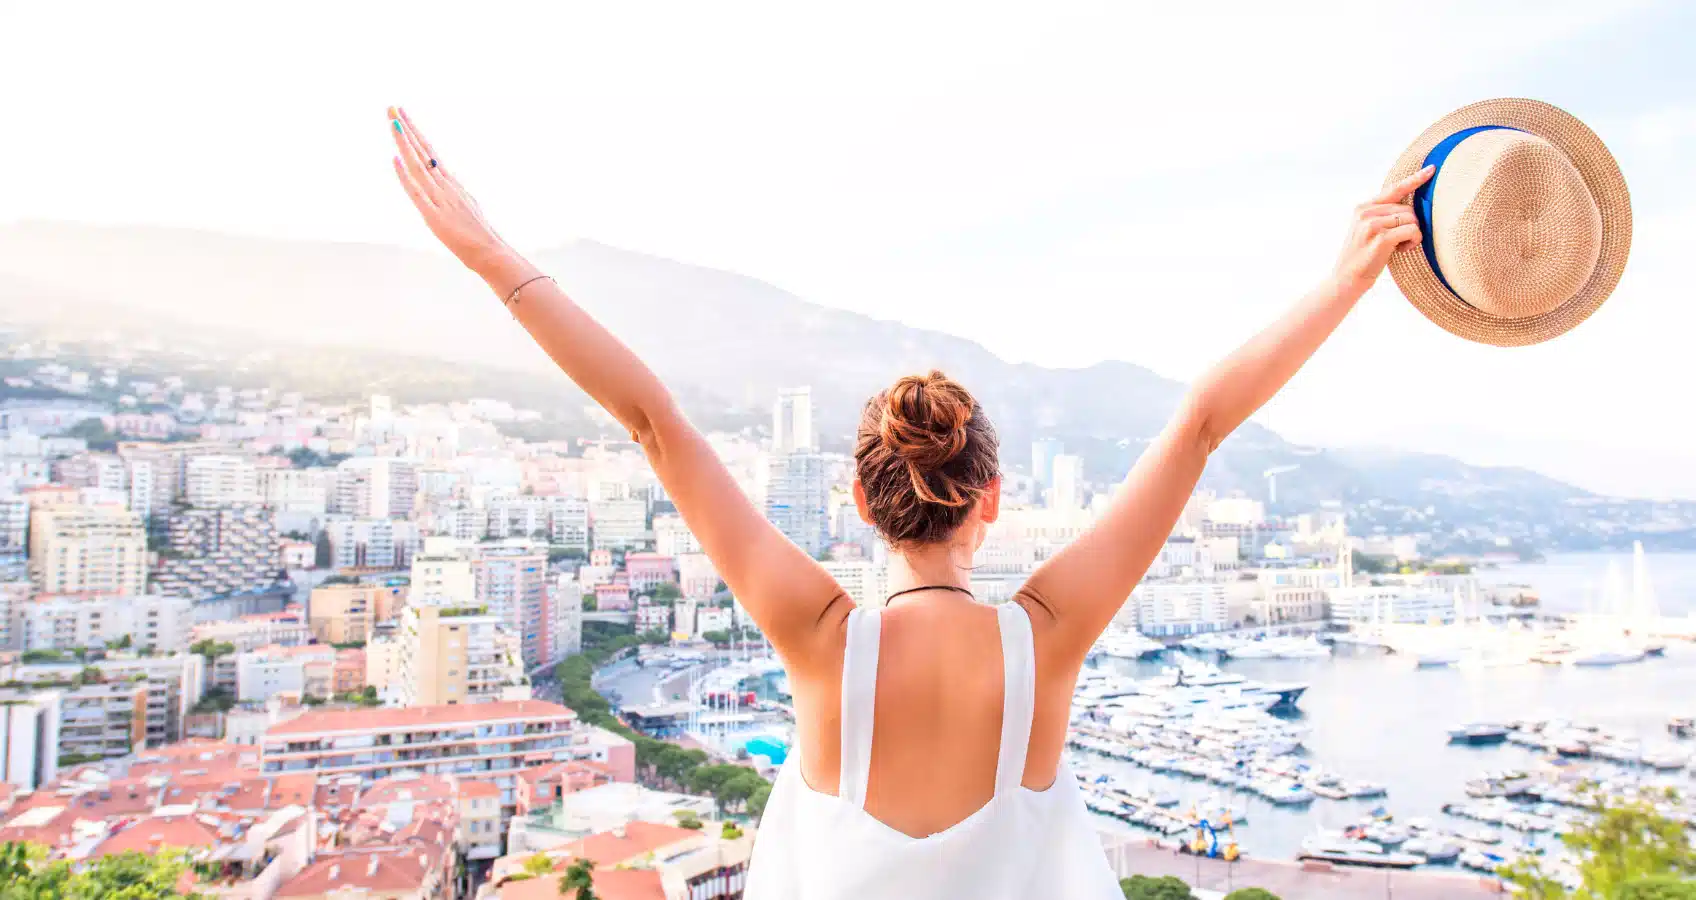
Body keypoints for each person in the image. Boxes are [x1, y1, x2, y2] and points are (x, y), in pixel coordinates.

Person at [386, 107, 1432, 899]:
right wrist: (1345, 280)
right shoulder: (1044, 639)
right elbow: (1200, 422)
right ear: (991, 500)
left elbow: (652, 420)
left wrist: (491, 257)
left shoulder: (819, 637)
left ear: (856, 503)